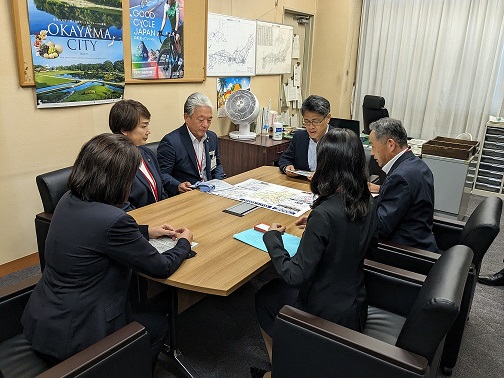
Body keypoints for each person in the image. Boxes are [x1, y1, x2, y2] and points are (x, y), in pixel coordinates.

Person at [21, 133, 194, 372]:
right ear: (119, 179)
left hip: (43, 321)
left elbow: (95, 235)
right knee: (156, 328)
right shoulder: (114, 220)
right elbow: (161, 267)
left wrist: (147, 231)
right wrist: (184, 242)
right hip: (78, 334)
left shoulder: (68, 199)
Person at [253, 128, 377, 377]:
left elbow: (295, 275)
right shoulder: (367, 200)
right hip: (354, 304)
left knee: (265, 296)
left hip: (322, 311)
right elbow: (364, 243)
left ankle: (283, 370)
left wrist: (272, 238)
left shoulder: (324, 214)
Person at [368, 117, 438, 252]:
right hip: (421, 240)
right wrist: (382, 189)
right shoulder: (416, 164)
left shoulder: (400, 177)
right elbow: (407, 196)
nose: (371, 153)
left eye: (373, 146)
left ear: (390, 144)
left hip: (404, 251)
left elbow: (380, 228)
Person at [157, 92, 225, 196]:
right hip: (187, 195)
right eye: (201, 120)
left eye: (209, 120)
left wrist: (219, 182)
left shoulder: (212, 137)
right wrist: (178, 185)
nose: (205, 125)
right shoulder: (171, 142)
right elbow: (162, 174)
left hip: (211, 192)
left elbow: (217, 165)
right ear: (186, 117)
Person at [109, 99, 167, 211]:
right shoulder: (115, 162)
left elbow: (161, 190)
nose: (148, 131)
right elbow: (121, 206)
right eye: (143, 126)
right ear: (124, 130)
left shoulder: (147, 153)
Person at [278, 95, 333, 178]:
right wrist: (287, 167)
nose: (311, 127)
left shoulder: (340, 140)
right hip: (301, 185)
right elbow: (285, 159)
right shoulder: (299, 136)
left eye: (316, 121)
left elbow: (346, 173)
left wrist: (323, 176)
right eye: (306, 121)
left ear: (328, 118)